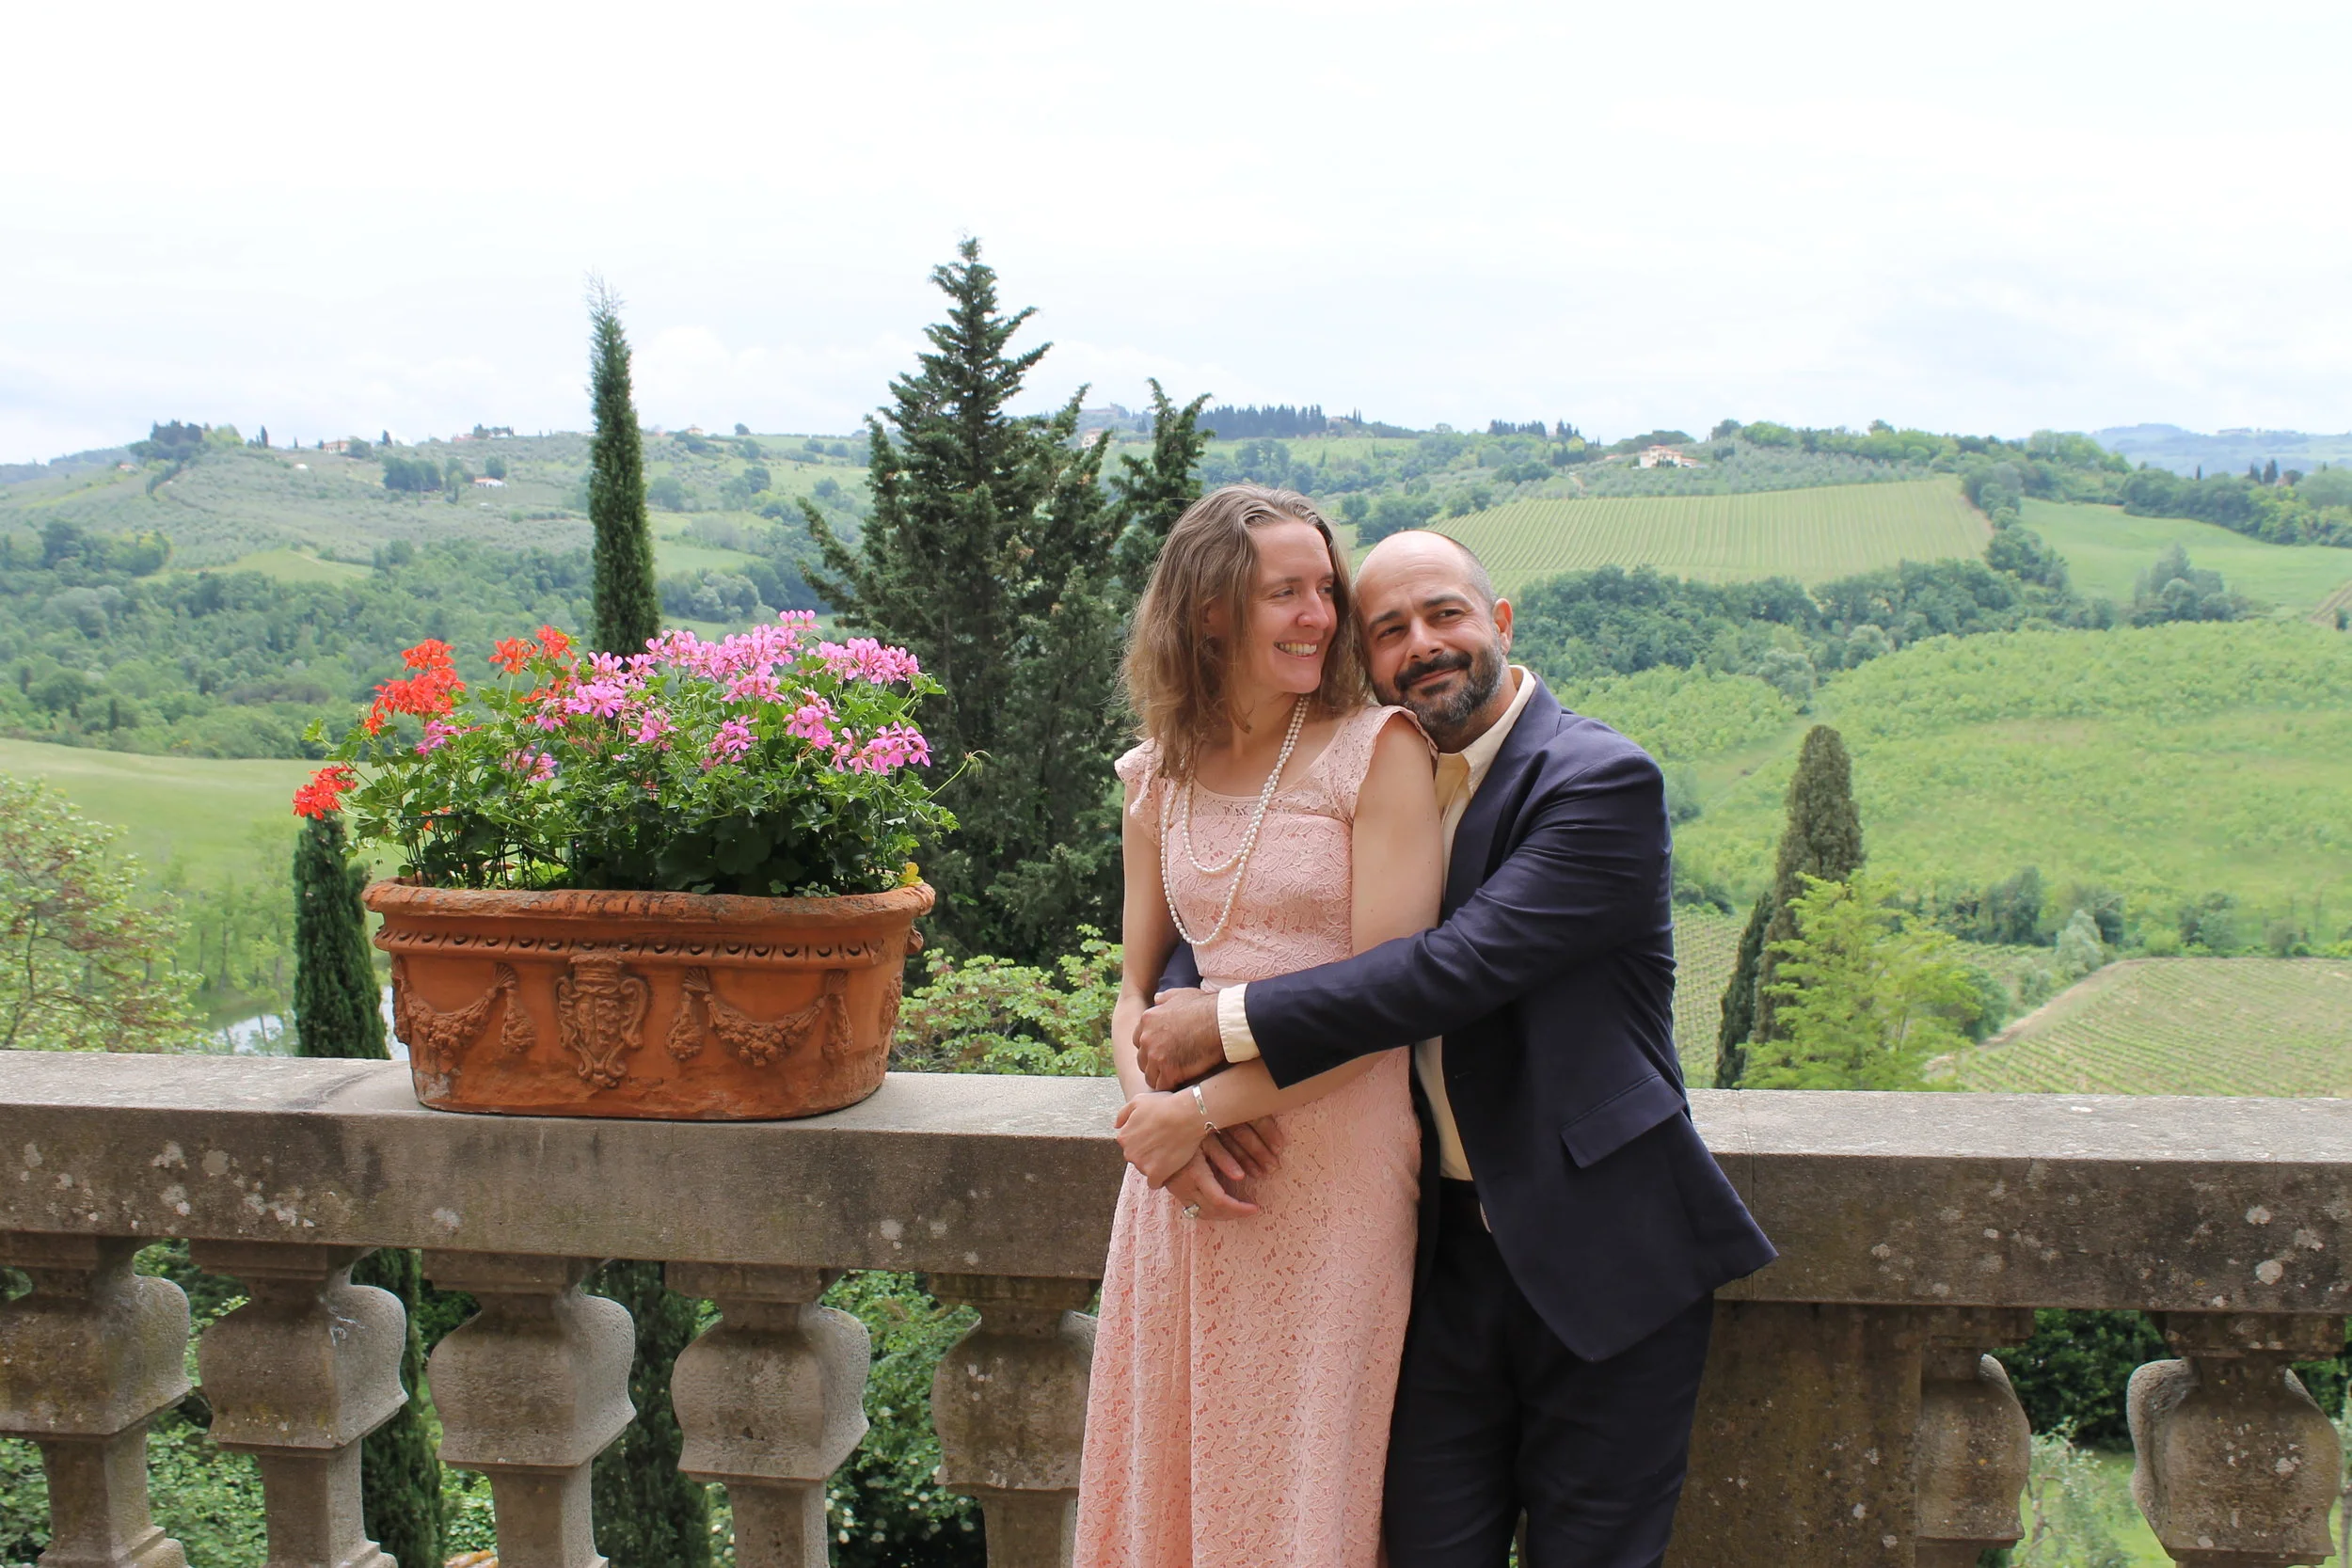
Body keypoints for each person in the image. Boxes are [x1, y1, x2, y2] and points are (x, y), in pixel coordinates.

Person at [1136, 530, 1777, 1568]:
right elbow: (1238, 915)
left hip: (1599, 1247)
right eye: (1388, 630)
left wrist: (1220, 1022)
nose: (1421, 645)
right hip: (1435, 1256)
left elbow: (1451, 967)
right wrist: (1179, 997)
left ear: (1502, 622)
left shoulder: (1597, 777)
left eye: (1444, 614)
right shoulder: (1368, 770)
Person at [1074, 484, 1445, 1568]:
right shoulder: (1156, 771)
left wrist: (1197, 1108)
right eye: (1284, 592)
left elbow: (1383, 1007)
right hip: (1181, 1174)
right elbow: (1134, 988)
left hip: (1329, 1158)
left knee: (1300, 1470)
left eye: (1323, 589)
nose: (1318, 617)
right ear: (1207, 613)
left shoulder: (1378, 751)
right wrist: (1155, 1118)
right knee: (1169, 1456)